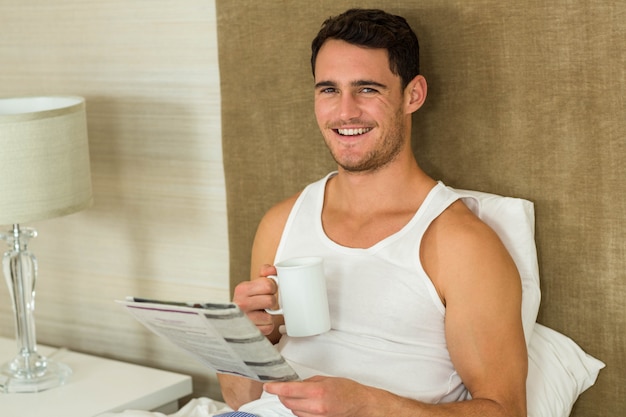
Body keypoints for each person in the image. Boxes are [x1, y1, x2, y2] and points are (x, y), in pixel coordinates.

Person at [218, 8, 527, 417]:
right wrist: (241, 336)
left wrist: (367, 404)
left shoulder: (458, 244)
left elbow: (507, 411)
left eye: (367, 89)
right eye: (328, 90)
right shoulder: (281, 223)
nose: (345, 112)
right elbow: (238, 399)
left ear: (412, 95)